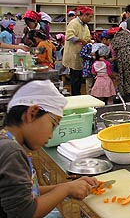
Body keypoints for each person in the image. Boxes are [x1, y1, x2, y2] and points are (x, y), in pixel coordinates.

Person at [0, 80, 98, 217]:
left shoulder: (6, 142)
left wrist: (66, 188)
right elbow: (24, 213)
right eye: (53, 124)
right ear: (32, 113)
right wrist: (65, 189)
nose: (51, 135)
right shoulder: (11, 151)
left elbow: (26, 193)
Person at [62, 6, 93, 96]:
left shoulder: (85, 26)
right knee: (75, 78)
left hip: (81, 54)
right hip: (73, 54)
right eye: (90, 17)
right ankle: (75, 96)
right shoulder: (73, 23)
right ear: (84, 15)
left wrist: (89, 41)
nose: (90, 19)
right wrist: (81, 40)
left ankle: (78, 95)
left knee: (79, 78)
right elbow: (69, 37)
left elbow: (87, 37)